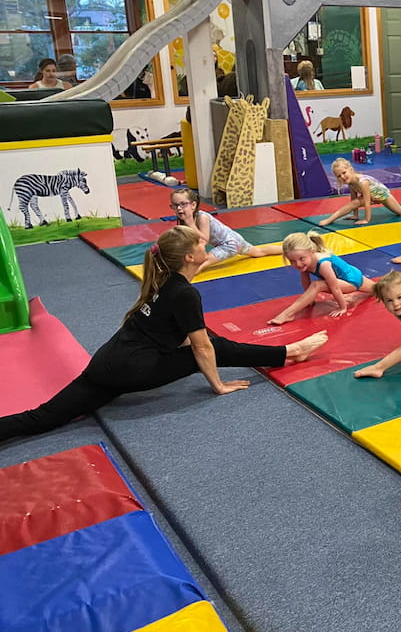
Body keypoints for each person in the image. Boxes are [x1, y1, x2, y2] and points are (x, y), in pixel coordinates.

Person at [0, 227, 327, 445]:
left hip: (105, 364)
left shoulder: (163, 280)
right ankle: (289, 352)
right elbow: (202, 349)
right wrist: (218, 385)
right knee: (213, 346)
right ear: (189, 257)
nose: (205, 243)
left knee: (43, 417)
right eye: (199, 243)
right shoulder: (184, 294)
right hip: (132, 369)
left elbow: (174, 330)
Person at [269, 231, 374, 325]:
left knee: (317, 284)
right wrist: (309, 300)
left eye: (301, 259)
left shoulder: (324, 264)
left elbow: (335, 288)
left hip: (351, 281)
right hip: (351, 274)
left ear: (312, 251)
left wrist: (342, 307)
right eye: (292, 261)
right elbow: (305, 281)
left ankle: (287, 314)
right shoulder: (306, 260)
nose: (298, 264)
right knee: (378, 289)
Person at [170, 188, 283, 275]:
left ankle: (184, 277)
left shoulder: (202, 217)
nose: (179, 208)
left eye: (183, 204)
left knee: (202, 262)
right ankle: (285, 249)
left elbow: (204, 240)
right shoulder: (184, 220)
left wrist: (191, 224)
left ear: (193, 205)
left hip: (229, 243)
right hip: (235, 239)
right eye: (175, 205)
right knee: (258, 252)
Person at [319, 158, 401, 226]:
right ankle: (330, 219)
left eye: (344, 173)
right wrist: (355, 215)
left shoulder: (363, 182)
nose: (342, 177)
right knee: (355, 202)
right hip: (373, 197)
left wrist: (366, 219)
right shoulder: (351, 183)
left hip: (383, 196)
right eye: (339, 176)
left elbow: (367, 202)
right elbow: (353, 199)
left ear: (350, 170)